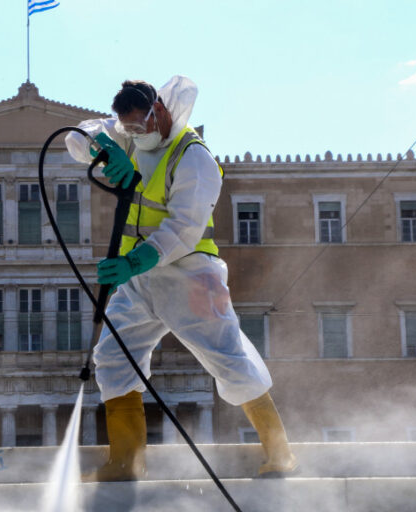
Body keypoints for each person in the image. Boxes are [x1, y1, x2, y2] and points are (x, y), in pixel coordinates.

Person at [64, 76, 297, 482]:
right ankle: (126, 463)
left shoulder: (194, 157)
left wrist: (136, 261)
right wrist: (101, 147)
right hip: (139, 278)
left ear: (159, 111)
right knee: (114, 357)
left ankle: (279, 455)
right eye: (128, 129)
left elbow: (184, 227)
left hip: (190, 273)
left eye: (139, 126)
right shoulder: (128, 135)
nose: (134, 135)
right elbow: (79, 134)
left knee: (228, 359)